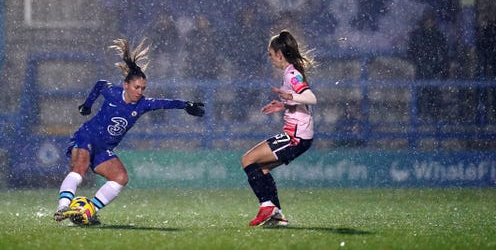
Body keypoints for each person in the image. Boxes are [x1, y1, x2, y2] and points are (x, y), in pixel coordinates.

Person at [53, 37, 205, 225]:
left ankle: (88, 211)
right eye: (136, 87)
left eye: (143, 88)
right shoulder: (113, 93)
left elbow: (164, 102)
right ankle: (62, 208)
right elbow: (100, 84)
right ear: (126, 84)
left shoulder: (142, 105)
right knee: (80, 169)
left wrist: (185, 105)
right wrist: (87, 105)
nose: (140, 91)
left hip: (103, 148)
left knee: (121, 177)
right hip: (87, 136)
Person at [241, 30, 317, 227]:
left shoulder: (292, 74)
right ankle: (277, 216)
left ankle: (267, 205)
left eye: (270, 53)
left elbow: (311, 98)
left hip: (296, 136)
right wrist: (284, 105)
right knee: (262, 168)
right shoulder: (289, 73)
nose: (269, 58)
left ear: (279, 54)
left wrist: (290, 98)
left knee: (248, 160)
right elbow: (301, 102)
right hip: (298, 135)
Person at [407, 9, 449, 120]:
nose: (429, 22)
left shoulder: (437, 36)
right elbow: (411, 53)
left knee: (431, 94)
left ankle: (431, 116)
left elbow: (444, 54)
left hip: (432, 70)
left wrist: (442, 68)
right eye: (428, 19)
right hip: (424, 69)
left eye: (431, 19)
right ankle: (426, 116)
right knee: (424, 93)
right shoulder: (420, 35)